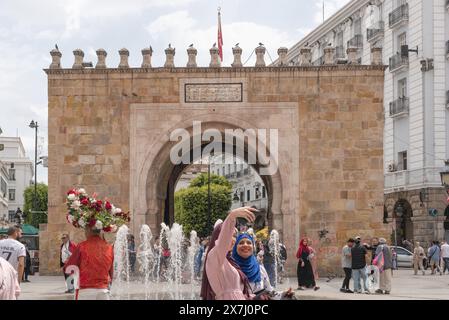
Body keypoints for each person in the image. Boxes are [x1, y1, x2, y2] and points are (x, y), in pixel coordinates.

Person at [200, 206, 257, 300]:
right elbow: (223, 242)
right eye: (230, 234)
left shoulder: (230, 262)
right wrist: (232, 217)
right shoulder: (214, 256)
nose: (233, 239)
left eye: (235, 235)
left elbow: (237, 293)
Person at [232, 233, 294, 300]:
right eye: (241, 243)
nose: (245, 245)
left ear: (253, 247)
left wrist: (284, 293)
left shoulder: (259, 268)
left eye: (249, 243)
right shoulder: (230, 268)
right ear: (235, 247)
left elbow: (269, 291)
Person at [64, 226, 114, 300]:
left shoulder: (81, 246)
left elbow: (69, 268)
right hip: (103, 291)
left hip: (85, 290)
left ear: (89, 230)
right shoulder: (109, 247)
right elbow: (111, 271)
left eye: (85, 230)